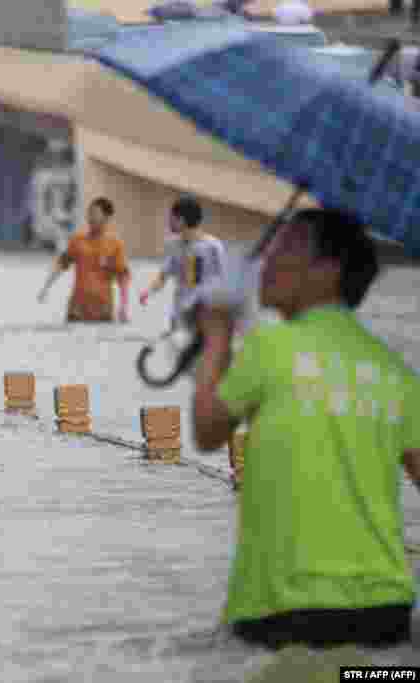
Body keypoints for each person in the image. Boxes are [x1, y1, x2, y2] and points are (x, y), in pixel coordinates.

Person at [191, 208, 420, 650]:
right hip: (386, 614)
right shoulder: (396, 373)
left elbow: (207, 430)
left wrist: (217, 335)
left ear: (329, 270)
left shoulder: (271, 347)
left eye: (288, 247)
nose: (269, 261)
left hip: (283, 611)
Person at [37, 197, 131, 323]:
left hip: (103, 310)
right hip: (77, 309)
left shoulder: (115, 245)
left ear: (107, 218)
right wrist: (46, 287)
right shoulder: (77, 241)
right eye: (89, 213)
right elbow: (61, 265)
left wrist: (124, 307)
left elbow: (123, 278)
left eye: (95, 214)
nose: (90, 217)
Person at [139, 195, 227, 330]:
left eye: (172, 218)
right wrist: (148, 291)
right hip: (179, 315)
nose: (169, 222)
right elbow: (163, 276)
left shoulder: (213, 247)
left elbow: (225, 282)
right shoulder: (173, 245)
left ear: (181, 220)